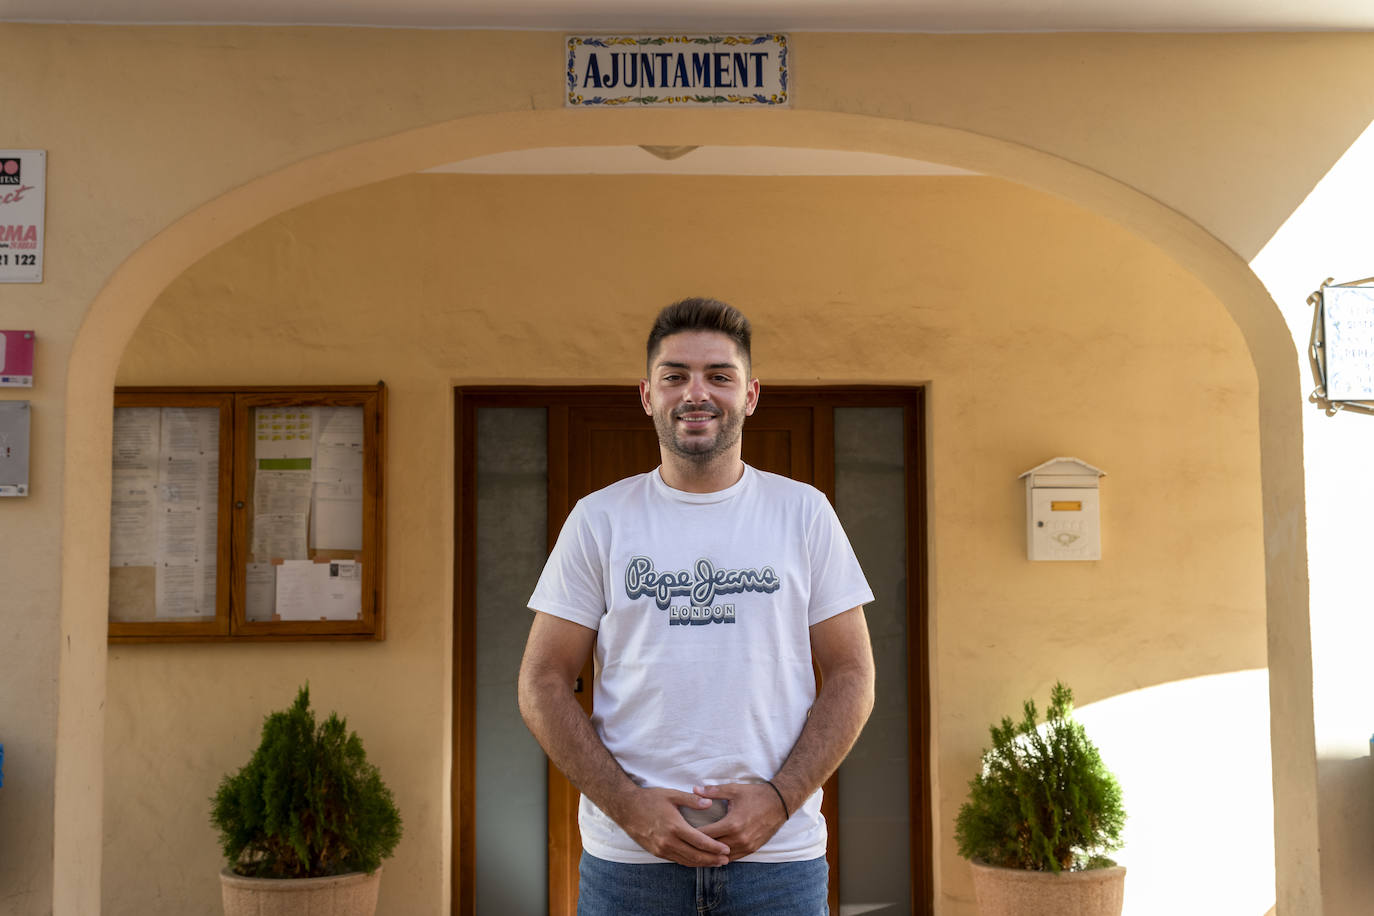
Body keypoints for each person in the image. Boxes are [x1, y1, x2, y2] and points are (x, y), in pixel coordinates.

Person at [518, 297, 876, 915]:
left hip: (778, 868)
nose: (696, 393)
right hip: (631, 868)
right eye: (675, 375)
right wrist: (630, 809)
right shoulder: (599, 520)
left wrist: (781, 799)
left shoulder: (804, 513)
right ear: (647, 394)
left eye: (719, 376)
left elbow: (853, 675)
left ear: (752, 394)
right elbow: (541, 681)